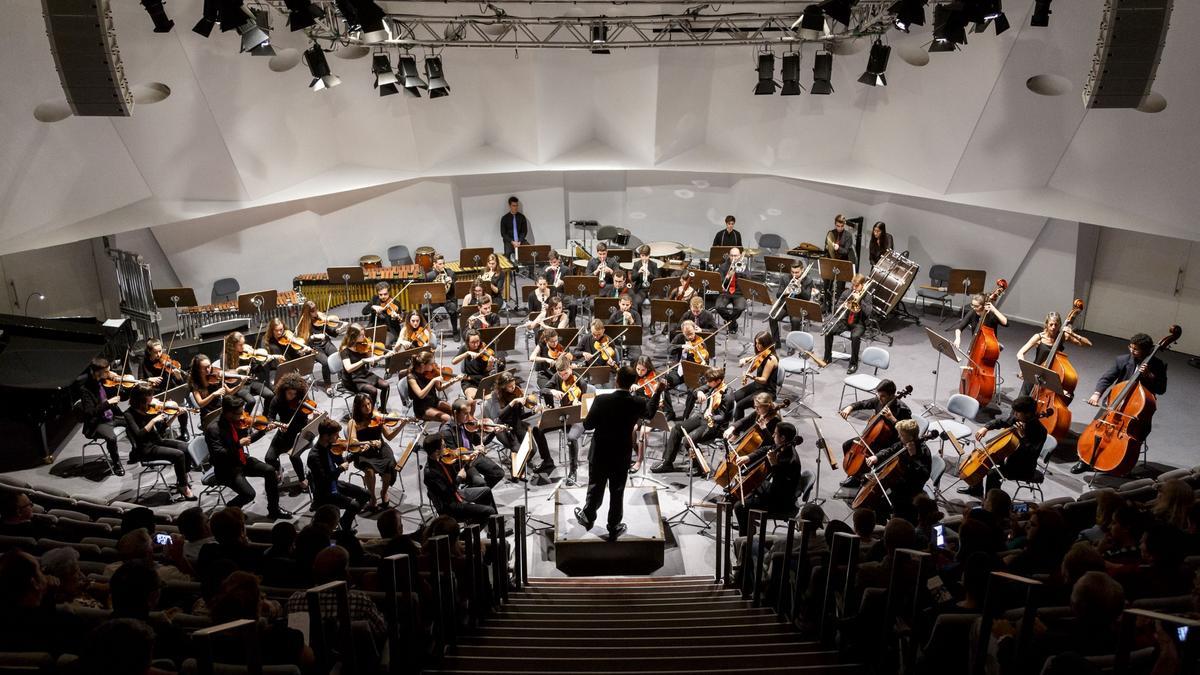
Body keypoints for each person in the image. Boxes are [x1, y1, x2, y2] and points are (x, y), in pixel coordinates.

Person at [575, 366, 656, 540]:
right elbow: (649, 414)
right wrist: (658, 392)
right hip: (621, 453)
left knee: (595, 486)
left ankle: (588, 516)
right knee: (617, 491)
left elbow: (588, 425)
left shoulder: (601, 400)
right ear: (633, 383)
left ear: (617, 380)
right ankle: (614, 526)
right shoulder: (638, 402)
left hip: (600, 452)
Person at [1073, 332, 1167, 473]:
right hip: (1114, 403)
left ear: (1146, 350)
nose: (1131, 351)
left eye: (1136, 349)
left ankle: (1118, 461)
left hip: (1136, 411)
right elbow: (1107, 378)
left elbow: (1161, 389)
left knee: (1137, 433)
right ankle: (1085, 460)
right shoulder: (1123, 360)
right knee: (1097, 427)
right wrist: (1096, 394)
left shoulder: (1158, 365)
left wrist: (1150, 375)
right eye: (1131, 347)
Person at [205, 395, 289, 519]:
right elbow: (219, 454)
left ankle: (273, 510)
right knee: (249, 494)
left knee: (270, 471)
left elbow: (248, 440)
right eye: (238, 413)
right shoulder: (213, 429)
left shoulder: (237, 422)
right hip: (227, 468)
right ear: (228, 412)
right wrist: (239, 444)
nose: (242, 416)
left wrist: (263, 431)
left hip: (241, 459)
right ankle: (230, 509)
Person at [960, 395, 1047, 497]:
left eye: (1017, 412)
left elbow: (1031, 453)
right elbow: (1000, 422)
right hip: (1008, 457)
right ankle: (976, 489)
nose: (1014, 415)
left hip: (1022, 467)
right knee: (984, 460)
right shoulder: (1018, 419)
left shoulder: (1040, 431)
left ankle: (991, 501)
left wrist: (1023, 437)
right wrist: (986, 428)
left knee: (993, 474)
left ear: (1028, 414)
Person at [124, 385, 194, 501]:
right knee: (179, 455)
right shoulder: (129, 414)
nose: (153, 398)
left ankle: (182, 479)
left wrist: (175, 415)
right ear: (141, 398)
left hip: (157, 441)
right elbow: (139, 435)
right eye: (149, 395)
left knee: (186, 447)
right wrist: (153, 420)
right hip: (145, 449)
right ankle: (183, 486)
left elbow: (161, 429)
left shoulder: (150, 408)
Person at [653, 367, 730, 473]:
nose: (708, 383)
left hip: (716, 426)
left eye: (710, 382)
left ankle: (699, 466)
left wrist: (711, 416)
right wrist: (699, 392)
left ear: (718, 381)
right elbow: (696, 391)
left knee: (688, 440)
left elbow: (724, 417)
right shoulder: (713, 385)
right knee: (677, 428)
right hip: (704, 418)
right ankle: (667, 463)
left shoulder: (727, 395)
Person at [838, 379, 912, 489]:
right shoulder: (879, 400)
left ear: (892, 396)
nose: (879, 398)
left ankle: (859, 477)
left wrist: (892, 419)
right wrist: (850, 407)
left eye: (883, 396)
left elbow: (907, 434)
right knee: (847, 445)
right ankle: (856, 475)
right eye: (878, 395)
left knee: (865, 457)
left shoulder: (903, 410)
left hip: (888, 443)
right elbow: (863, 403)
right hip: (872, 437)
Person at [731, 422, 804, 532]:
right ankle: (746, 524)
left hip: (781, 501)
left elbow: (781, 486)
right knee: (745, 485)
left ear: (783, 438)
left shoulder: (791, 461)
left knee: (739, 506)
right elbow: (767, 448)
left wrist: (774, 465)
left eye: (775, 434)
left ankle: (746, 541)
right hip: (775, 490)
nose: (773, 436)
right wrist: (748, 457)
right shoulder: (782, 446)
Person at [483, 371, 554, 474]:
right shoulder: (496, 395)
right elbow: (500, 415)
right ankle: (516, 470)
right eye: (510, 386)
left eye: (514, 384)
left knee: (532, 450)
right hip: (503, 428)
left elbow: (520, 416)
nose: (513, 388)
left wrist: (533, 411)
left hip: (517, 425)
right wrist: (513, 402)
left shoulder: (517, 392)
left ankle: (517, 465)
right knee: (518, 449)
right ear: (503, 386)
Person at [307, 418, 370, 531]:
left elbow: (342, 461)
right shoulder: (314, 456)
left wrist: (358, 452)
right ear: (326, 436)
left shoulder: (331, 447)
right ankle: (345, 529)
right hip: (324, 492)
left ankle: (344, 521)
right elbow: (324, 480)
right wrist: (340, 469)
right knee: (354, 505)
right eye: (336, 435)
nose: (338, 437)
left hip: (334, 484)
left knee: (365, 494)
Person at [347, 393, 406, 512]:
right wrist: (368, 442)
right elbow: (352, 442)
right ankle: (372, 497)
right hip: (363, 452)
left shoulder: (377, 417)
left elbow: (389, 436)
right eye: (364, 405)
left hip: (381, 449)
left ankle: (384, 492)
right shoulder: (353, 422)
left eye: (369, 404)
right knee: (369, 471)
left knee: (389, 465)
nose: (368, 407)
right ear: (358, 407)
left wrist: (401, 425)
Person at [863, 419, 930, 523]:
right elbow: (891, 450)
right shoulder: (904, 443)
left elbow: (923, 475)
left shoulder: (923, 452)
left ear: (911, 437)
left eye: (901, 435)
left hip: (909, 489)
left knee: (880, 503)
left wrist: (913, 457)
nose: (899, 437)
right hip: (897, 481)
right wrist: (876, 457)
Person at [542, 356, 595, 484]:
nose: (563, 376)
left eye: (566, 373)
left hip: (579, 418)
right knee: (538, 429)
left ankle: (573, 471)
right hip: (563, 415)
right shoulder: (557, 377)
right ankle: (547, 461)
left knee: (571, 438)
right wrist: (552, 391)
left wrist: (578, 404)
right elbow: (543, 389)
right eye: (561, 374)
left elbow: (586, 410)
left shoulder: (581, 382)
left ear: (570, 368)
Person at [1016, 311, 1092, 398]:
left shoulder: (1063, 337)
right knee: (1022, 400)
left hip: (1051, 376)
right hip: (1035, 372)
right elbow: (1020, 353)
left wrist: (1073, 334)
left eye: (1056, 325)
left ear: (1059, 325)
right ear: (1046, 324)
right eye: (1051, 324)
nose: (1053, 327)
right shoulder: (1039, 337)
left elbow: (1088, 344)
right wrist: (1024, 368)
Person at [423, 436, 498, 524]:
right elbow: (449, 492)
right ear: (436, 451)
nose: (446, 448)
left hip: (457, 493)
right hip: (451, 505)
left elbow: (454, 479)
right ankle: (469, 532)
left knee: (486, 490)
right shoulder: (431, 473)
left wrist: (468, 461)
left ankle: (495, 527)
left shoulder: (441, 460)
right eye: (443, 446)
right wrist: (459, 478)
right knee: (489, 511)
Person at [438, 398, 505, 489]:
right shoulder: (446, 431)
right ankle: (475, 491)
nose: (469, 416)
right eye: (465, 413)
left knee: (498, 473)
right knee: (480, 483)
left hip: (473, 456)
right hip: (463, 462)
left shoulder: (467, 425)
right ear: (455, 412)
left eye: (469, 413)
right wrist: (473, 451)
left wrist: (494, 432)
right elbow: (454, 454)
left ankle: (475, 492)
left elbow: (482, 442)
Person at [79, 357, 127, 474]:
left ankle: (137, 452)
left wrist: (121, 386)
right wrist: (107, 403)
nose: (109, 374)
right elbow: (90, 412)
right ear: (96, 372)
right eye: (106, 372)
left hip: (112, 416)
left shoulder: (105, 382)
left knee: (133, 420)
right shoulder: (85, 389)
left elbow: (124, 397)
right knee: (111, 437)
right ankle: (116, 463)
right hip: (98, 422)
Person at [266, 372, 312, 490]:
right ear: (284, 390)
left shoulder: (301, 399)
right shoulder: (277, 400)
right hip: (284, 434)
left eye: (295, 393)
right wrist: (273, 424)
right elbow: (270, 417)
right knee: (269, 458)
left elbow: (310, 413)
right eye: (290, 393)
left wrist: (314, 414)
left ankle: (302, 479)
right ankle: (278, 468)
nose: (293, 396)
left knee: (294, 456)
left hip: (300, 433)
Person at [822, 273, 873, 374]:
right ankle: (827, 357)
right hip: (845, 321)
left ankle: (853, 364)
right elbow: (837, 306)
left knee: (855, 337)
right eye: (853, 285)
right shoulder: (847, 292)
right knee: (828, 330)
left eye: (857, 286)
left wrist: (860, 300)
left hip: (859, 323)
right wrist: (846, 304)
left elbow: (868, 312)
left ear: (862, 285)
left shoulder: (867, 296)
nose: (854, 288)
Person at [660, 319, 710, 421]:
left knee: (693, 391)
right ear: (683, 332)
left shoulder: (700, 341)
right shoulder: (679, 338)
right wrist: (682, 346)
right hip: (680, 371)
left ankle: (685, 417)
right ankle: (669, 412)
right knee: (663, 383)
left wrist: (703, 361)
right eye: (687, 335)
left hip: (694, 373)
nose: (690, 336)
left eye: (691, 334)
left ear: (695, 330)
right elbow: (669, 349)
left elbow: (706, 362)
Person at [338, 322, 392, 412]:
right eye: (361, 335)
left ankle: (382, 410)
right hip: (352, 379)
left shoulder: (363, 345)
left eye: (364, 334)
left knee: (386, 385)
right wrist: (362, 361)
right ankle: (369, 414)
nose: (364, 337)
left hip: (363, 373)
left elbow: (371, 359)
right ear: (353, 336)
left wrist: (383, 356)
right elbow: (348, 368)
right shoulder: (344, 350)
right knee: (373, 391)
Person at [222, 331, 276, 409]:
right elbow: (225, 374)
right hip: (238, 385)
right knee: (251, 401)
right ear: (233, 345)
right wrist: (239, 369)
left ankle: (266, 416)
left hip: (249, 382)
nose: (243, 347)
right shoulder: (225, 357)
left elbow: (254, 368)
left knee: (270, 395)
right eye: (240, 345)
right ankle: (245, 419)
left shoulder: (246, 353)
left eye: (243, 343)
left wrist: (264, 362)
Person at [768, 260, 818, 344]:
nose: (794, 275)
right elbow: (778, 295)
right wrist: (785, 291)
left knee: (795, 321)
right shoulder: (785, 278)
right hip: (786, 305)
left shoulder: (808, 280)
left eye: (797, 272)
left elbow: (807, 297)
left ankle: (792, 344)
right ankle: (776, 341)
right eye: (792, 272)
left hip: (799, 306)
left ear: (802, 270)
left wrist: (800, 288)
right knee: (772, 318)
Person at [732, 331, 779, 418]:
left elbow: (764, 380)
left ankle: (738, 429)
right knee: (734, 397)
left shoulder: (771, 359)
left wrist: (751, 376)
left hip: (766, 390)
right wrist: (745, 360)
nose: (757, 346)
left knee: (739, 405)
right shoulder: (763, 353)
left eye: (760, 344)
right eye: (756, 343)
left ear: (766, 344)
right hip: (757, 385)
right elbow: (755, 357)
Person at [296, 300, 340, 387]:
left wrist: (337, 331)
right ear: (307, 312)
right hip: (314, 347)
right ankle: (327, 385)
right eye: (313, 311)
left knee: (338, 356)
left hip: (325, 343)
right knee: (326, 362)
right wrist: (314, 337)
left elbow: (330, 331)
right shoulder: (303, 323)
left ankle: (342, 379)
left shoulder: (320, 318)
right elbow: (303, 340)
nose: (316, 312)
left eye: (316, 309)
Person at [407, 350, 456, 423]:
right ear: (423, 365)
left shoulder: (430, 373)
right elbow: (421, 395)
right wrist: (433, 381)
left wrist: (452, 382)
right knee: (447, 418)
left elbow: (439, 388)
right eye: (431, 363)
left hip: (434, 401)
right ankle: (446, 433)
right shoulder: (411, 377)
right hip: (422, 408)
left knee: (456, 411)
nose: (434, 365)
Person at [425, 254, 461, 340]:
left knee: (453, 309)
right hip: (435, 299)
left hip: (448, 298)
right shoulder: (429, 276)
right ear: (434, 264)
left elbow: (456, 290)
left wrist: (451, 282)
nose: (443, 266)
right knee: (423, 310)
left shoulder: (450, 273)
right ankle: (428, 332)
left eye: (443, 263)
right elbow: (426, 290)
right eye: (440, 264)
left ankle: (455, 331)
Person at [823, 214, 854, 309]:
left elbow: (846, 251)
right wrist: (828, 247)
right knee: (827, 285)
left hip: (842, 263)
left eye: (841, 226)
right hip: (831, 262)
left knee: (840, 287)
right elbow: (826, 246)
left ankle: (838, 307)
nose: (839, 228)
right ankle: (826, 305)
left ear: (844, 225)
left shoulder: (848, 235)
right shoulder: (831, 233)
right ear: (835, 224)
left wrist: (838, 248)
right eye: (837, 226)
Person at [715, 247, 747, 333]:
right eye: (732, 256)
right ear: (729, 256)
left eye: (736, 256)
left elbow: (748, 280)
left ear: (740, 256)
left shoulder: (743, 265)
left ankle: (730, 322)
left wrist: (741, 273)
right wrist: (728, 276)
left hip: (739, 293)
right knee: (719, 306)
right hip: (726, 292)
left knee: (740, 308)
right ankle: (732, 323)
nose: (733, 258)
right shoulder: (723, 266)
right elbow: (720, 281)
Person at [630, 245, 658, 317]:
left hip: (651, 289)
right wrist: (638, 272)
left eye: (646, 256)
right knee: (636, 301)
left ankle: (653, 322)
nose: (644, 258)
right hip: (641, 289)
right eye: (642, 256)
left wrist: (649, 274)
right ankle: (640, 322)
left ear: (649, 255)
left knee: (657, 303)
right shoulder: (636, 264)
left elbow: (657, 279)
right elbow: (632, 278)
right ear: (640, 255)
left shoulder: (654, 265)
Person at [500, 195, 529, 260]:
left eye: (516, 205)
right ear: (509, 206)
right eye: (513, 206)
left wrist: (519, 241)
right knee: (507, 253)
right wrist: (512, 242)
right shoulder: (504, 218)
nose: (515, 207)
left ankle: (528, 268)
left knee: (529, 249)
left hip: (520, 240)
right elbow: (503, 233)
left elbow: (524, 232)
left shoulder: (522, 217)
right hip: (509, 241)